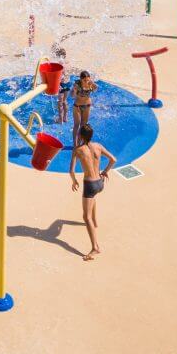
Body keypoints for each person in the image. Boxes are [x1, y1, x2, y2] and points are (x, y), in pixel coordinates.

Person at [69, 123, 116, 261]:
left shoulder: (78, 150)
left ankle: (95, 247)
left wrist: (74, 181)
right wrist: (105, 171)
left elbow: (71, 170)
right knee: (93, 199)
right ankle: (94, 223)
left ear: (80, 135)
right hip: (100, 183)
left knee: (85, 217)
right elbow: (113, 159)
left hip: (89, 185)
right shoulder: (98, 146)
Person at [72, 71, 97, 144]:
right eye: (84, 80)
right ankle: (75, 143)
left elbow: (95, 89)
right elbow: (72, 96)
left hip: (87, 106)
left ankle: (81, 142)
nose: (86, 81)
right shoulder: (77, 85)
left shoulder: (90, 84)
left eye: (88, 80)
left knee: (83, 125)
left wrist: (93, 84)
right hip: (77, 106)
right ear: (80, 79)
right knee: (76, 125)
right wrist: (74, 90)